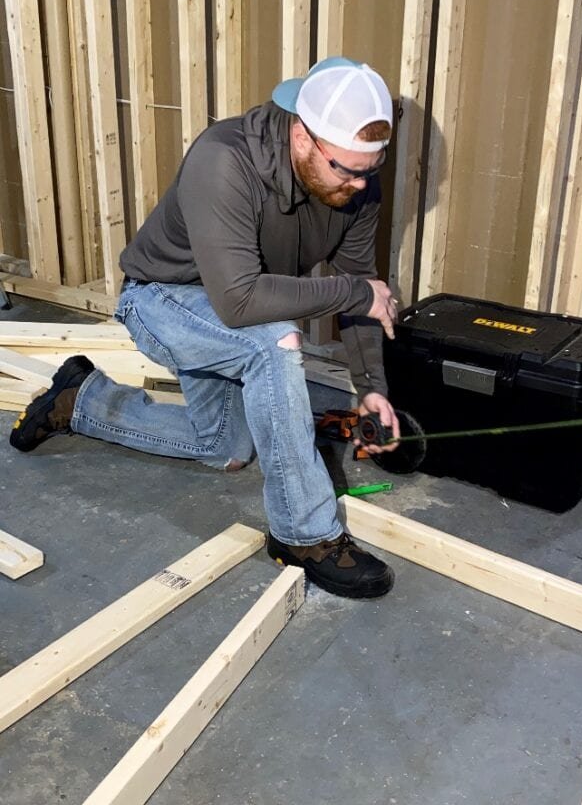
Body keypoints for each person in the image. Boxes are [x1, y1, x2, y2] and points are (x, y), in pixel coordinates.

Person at [10, 56, 402, 599]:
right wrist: (357, 292)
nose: (360, 184)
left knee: (226, 447)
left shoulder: (355, 186)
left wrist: (370, 389)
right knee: (276, 341)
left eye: (371, 169)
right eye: (346, 169)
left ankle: (80, 401)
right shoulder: (223, 160)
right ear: (302, 134)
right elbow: (242, 301)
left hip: (225, 313)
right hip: (159, 301)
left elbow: (362, 285)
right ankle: (305, 536)